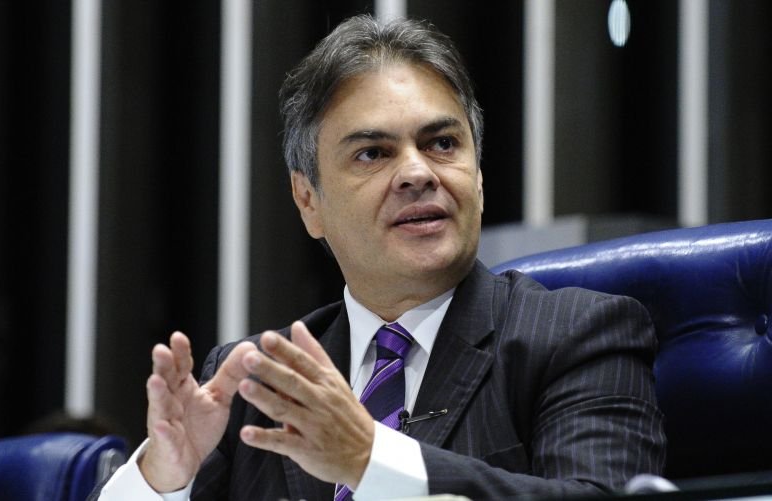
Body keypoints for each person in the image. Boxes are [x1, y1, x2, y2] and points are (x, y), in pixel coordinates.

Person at [93, 14, 665, 501]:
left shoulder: (578, 336)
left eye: (442, 144)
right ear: (308, 200)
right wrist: (166, 479)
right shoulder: (255, 383)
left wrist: (370, 459)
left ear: (479, 176)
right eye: (373, 153)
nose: (417, 172)